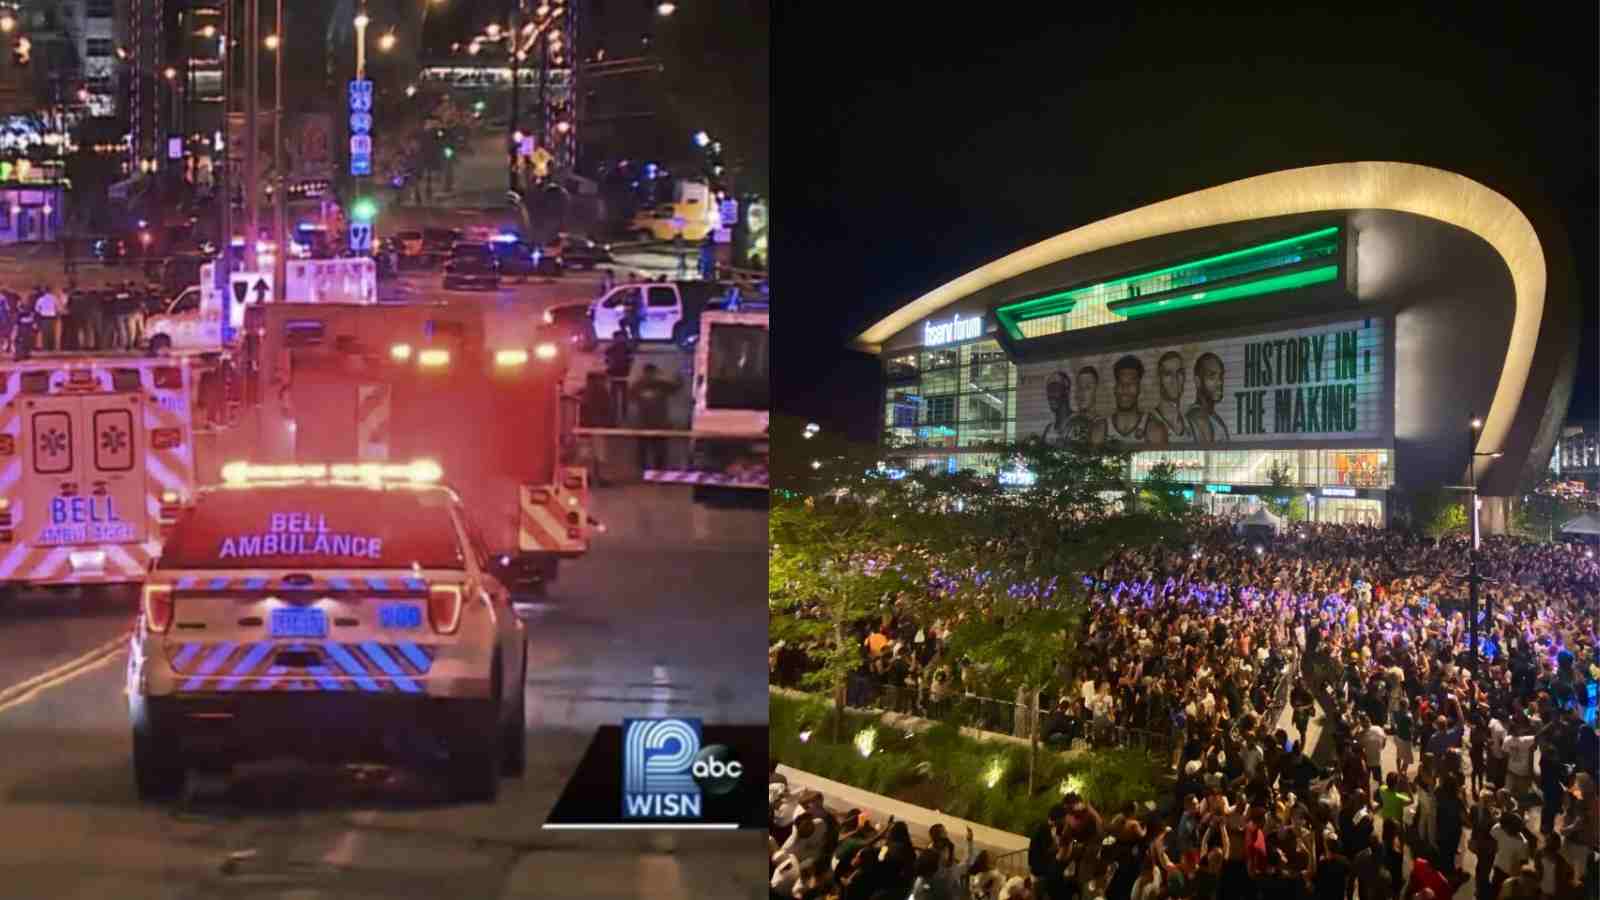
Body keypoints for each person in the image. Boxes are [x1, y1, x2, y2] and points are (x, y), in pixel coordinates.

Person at [629, 363, 682, 473]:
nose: (650, 376)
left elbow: (676, 387)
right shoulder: (658, 384)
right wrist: (678, 376)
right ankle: (652, 472)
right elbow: (676, 387)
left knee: (653, 451)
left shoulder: (642, 385)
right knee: (651, 450)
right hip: (654, 424)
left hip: (651, 424)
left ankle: (648, 472)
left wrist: (678, 377)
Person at [1106, 354, 1165, 445]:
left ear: (1139, 388)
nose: (1125, 388)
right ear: (1114, 388)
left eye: (1131, 383)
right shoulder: (1100, 429)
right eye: (1120, 382)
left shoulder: (1154, 429)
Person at [1148, 350, 1193, 445]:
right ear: (1159, 379)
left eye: (1179, 373)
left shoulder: (1189, 421)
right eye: (1168, 374)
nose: (1175, 380)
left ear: (1184, 376)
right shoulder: (1151, 423)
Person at [1185, 352, 1231, 443]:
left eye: (1220, 376)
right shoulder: (1199, 417)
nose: (1219, 383)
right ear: (1197, 381)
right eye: (1212, 377)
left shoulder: (1212, 416)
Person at [1066, 365, 1107, 444]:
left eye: (1088, 387)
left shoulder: (1099, 424)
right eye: (1079, 387)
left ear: (1096, 391)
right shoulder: (1071, 419)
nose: (1082, 393)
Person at [1038, 372, 1074, 446]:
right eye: (1049, 390)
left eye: (1055, 389)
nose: (1051, 395)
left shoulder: (1077, 422)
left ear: (1066, 391)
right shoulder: (1048, 429)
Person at [34, 284, 58, 351]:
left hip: (44, 318)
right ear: (51, 291)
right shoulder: (54, 298)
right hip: (52, 318)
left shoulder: (41, 299)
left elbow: (37, 309)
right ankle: (52, 348)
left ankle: (46, 348)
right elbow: (57, 308)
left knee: (45, 333)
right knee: (52, 333)